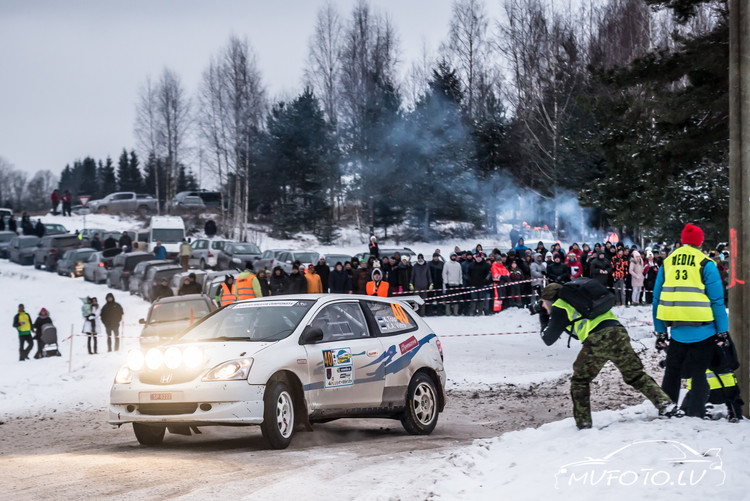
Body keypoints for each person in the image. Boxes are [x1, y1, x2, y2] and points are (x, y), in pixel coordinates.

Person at [539, 283, 681, 429]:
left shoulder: (561, 306)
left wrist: (543, 316)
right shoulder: (580, 299)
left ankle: (584, 424)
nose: (543, 306)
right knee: (636, 375)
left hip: (598, 339)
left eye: (544, 303)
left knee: (580, 380)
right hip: (618, 332)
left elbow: (548, 338)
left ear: (550, 299)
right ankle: (667, 405)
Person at [653, 223, 729, 418]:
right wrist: (722, 330)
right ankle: (696, 412)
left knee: (672, 371)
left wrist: (660, 331)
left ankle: (667, 410)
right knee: (698, 372)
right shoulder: (706, 263)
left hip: (677, 330)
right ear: (700, 241)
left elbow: (657, 299)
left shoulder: (667, 262)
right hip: (704, 329)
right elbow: (717, 301)